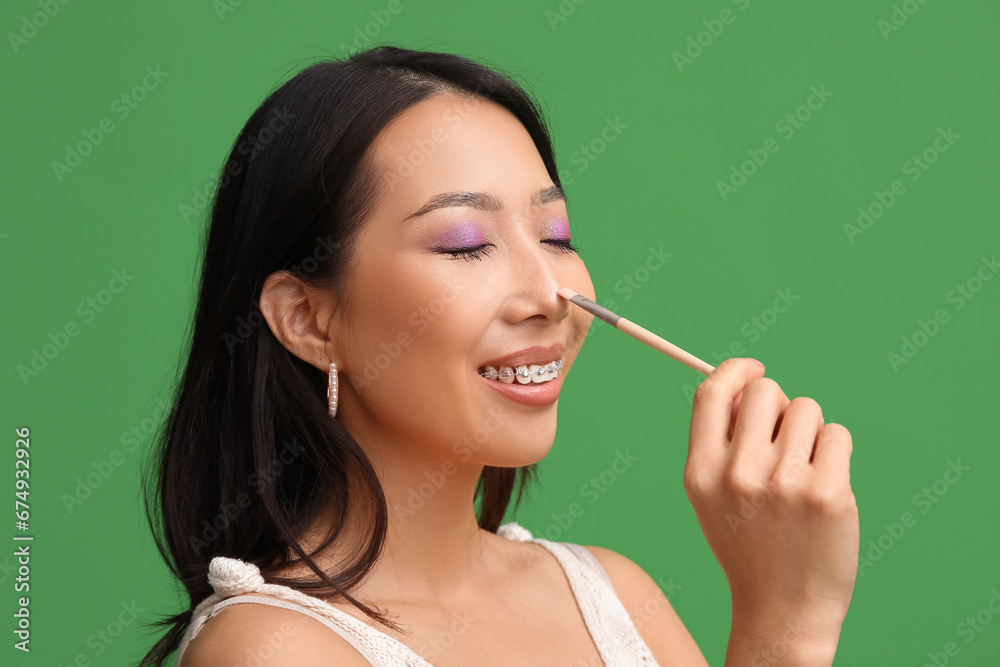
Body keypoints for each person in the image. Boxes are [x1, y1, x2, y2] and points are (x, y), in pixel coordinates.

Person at [141, 45, 859, 666]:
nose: (550, 294)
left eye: (555, 235)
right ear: (307, 319)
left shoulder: (614, 594)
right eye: (465, 242)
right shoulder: (271, 647)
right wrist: (785, 627)